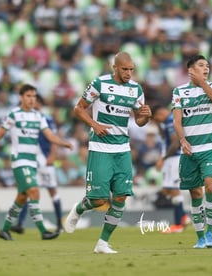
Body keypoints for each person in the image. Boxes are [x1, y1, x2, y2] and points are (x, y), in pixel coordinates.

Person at [64, 52, 152, 254]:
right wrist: (94, 125)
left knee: (121, 197)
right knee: (98, 200)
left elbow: (139, 120)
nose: (129, 73)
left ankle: (102, 243)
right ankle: (79, 209)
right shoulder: (99, 84)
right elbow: (78, 109)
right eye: (125, 69)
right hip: (101, 147)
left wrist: (146, 117)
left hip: (122, 149)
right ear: (115, 68)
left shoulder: (135, 89)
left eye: (131, 69)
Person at [0, 84, 73, 241]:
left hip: (32, 161)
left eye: (34, 96)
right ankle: (44, 231)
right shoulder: (14, 114)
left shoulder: (38, 116)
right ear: (21, 97)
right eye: (28, 96)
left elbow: (50, 136)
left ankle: (4, 230)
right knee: (34, 191)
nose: (31, 99)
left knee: (22, 198)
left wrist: (65, 143)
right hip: (19, 159)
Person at [172, 55, 212, 249]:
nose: (206, 68)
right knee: (195, 193)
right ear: (190, 71)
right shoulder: (179, 91)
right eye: (201, 65)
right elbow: (177, 121)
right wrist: (182, 140)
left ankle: (211, 233)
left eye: (207, 66)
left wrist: (203, 83)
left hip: (209, 147)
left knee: (210, 186)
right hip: (189, 150)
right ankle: (200, 237)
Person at [10, 94, 64, 234]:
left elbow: (53, 138)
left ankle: (59, 223)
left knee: (52, 191)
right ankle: (20, 224)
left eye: (36, 102)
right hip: (32, 160)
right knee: (29, 190)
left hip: (44, 160)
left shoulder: (46, 119)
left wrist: (52, 156)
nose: (33, 104)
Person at [151, 105, 189, 233]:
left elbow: (175, 143)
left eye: (157, 117)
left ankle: (178, 224)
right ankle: (183, 217)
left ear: (161, 113)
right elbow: (164, 137)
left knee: (173, 191)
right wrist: (157, 124)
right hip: (172, 159)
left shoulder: (170, 121)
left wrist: (163, 158)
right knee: (169, 190)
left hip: (173, 159)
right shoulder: (167, 122)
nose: (157, 119)